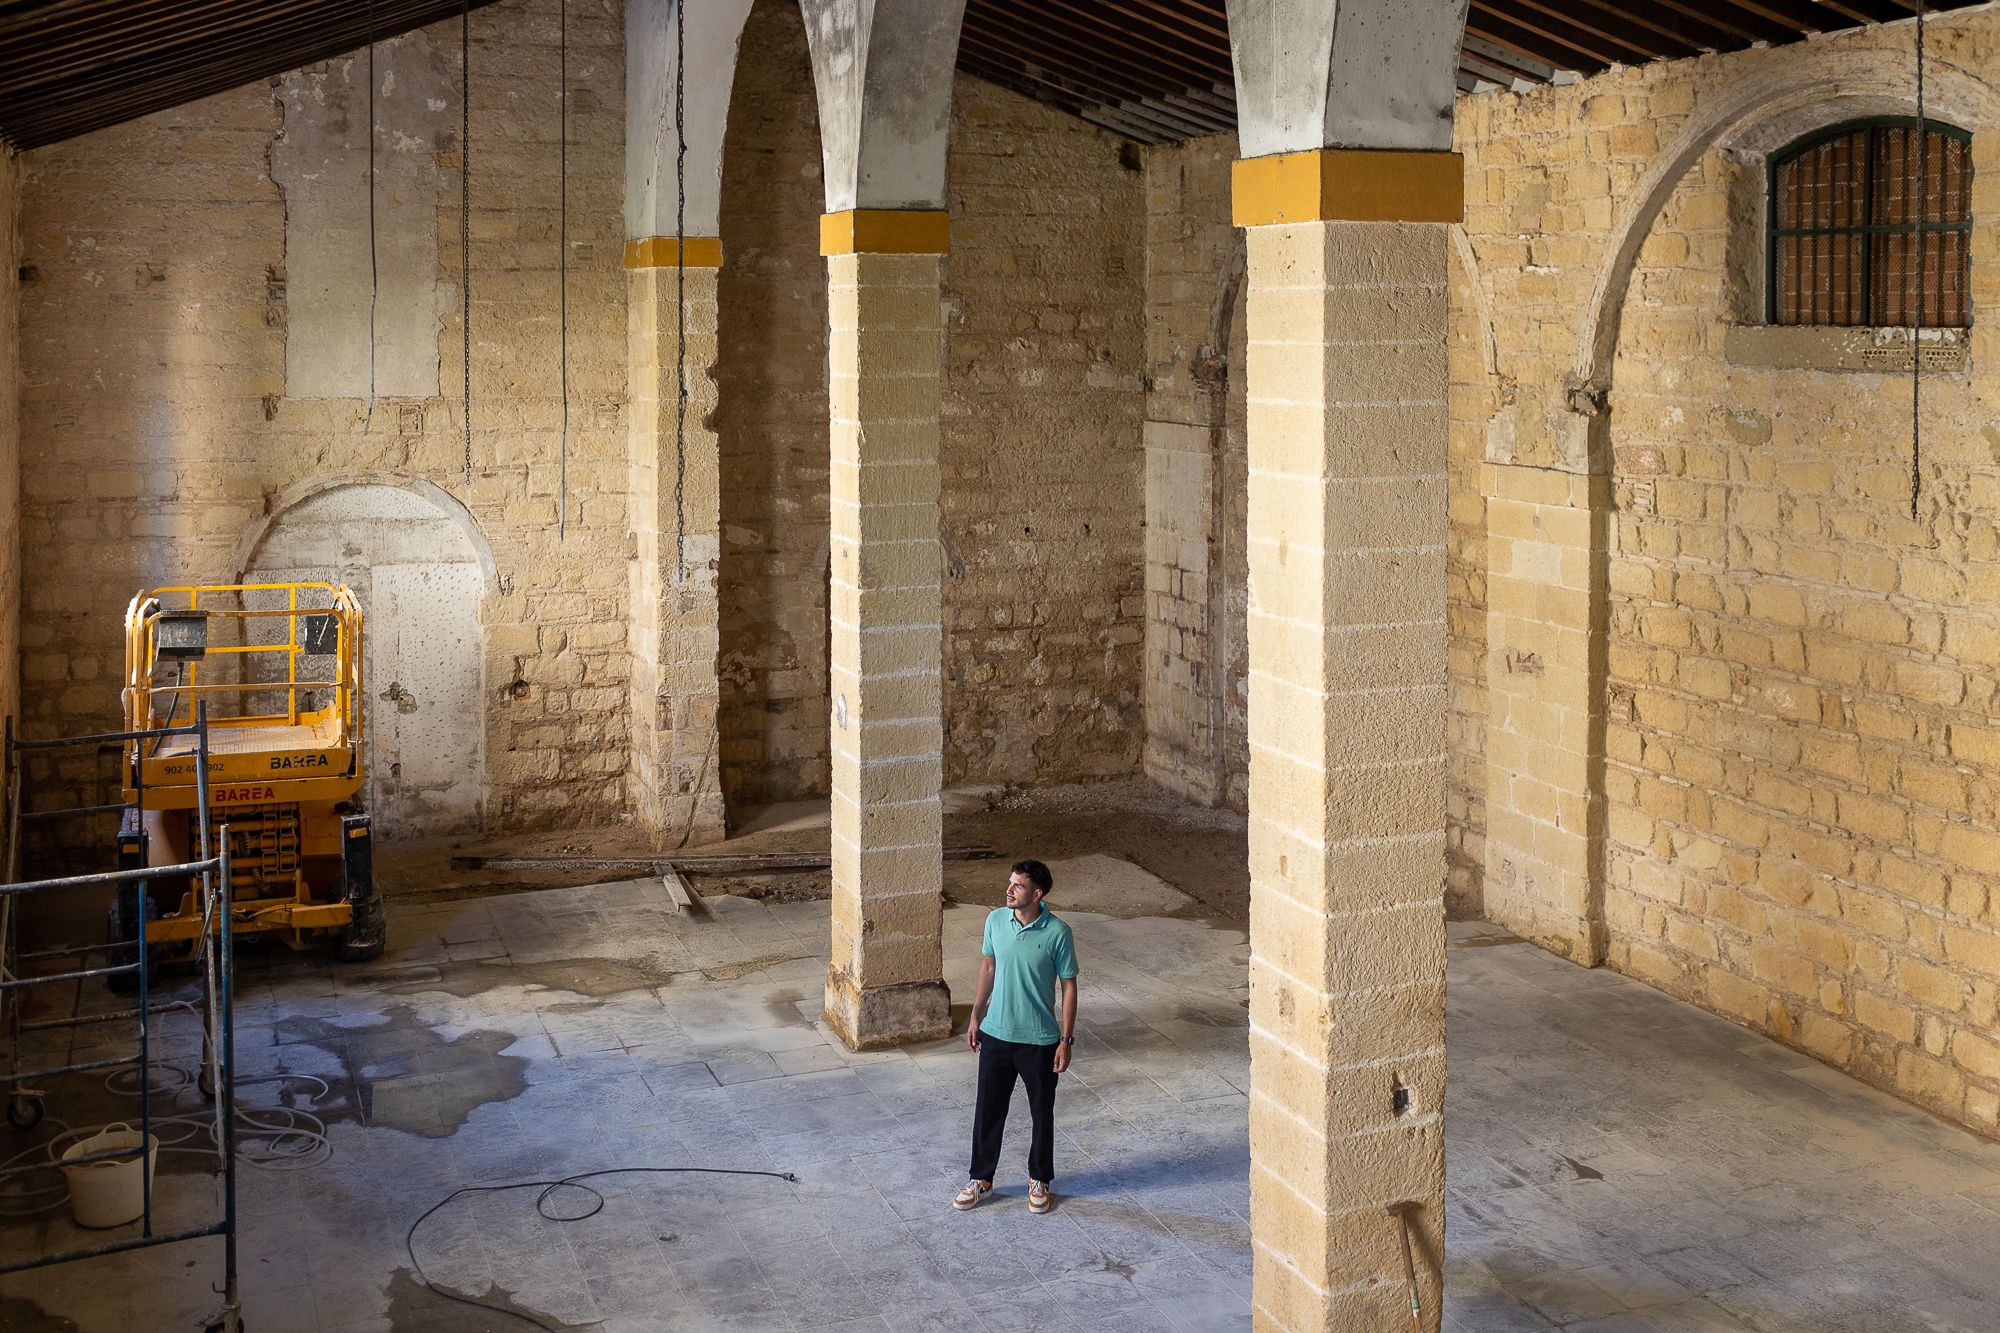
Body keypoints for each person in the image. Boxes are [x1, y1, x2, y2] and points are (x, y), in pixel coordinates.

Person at [953, 858, 1078, 1215]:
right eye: (1010, 883)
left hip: (1039, 1040)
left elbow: (1069, 987)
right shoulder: (995, 920)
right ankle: (981, 1179)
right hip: (996, 1034)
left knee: (1042, 1114)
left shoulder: (1058, 933)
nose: (1009, 890)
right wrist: (976, 1016)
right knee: (988, 1110)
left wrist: (1066, 1040)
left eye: (1018, 886)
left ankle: (1039, 1179)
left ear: (1037, 894)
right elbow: (988, 967)